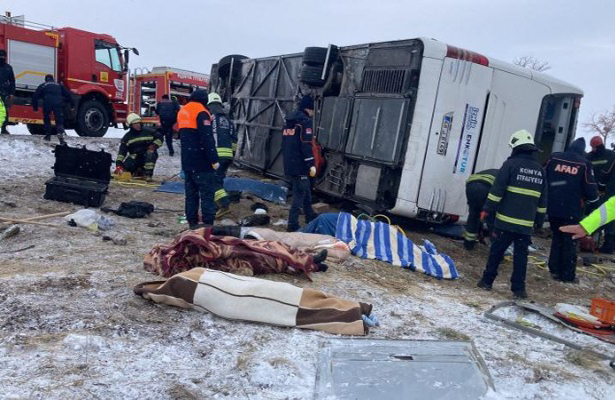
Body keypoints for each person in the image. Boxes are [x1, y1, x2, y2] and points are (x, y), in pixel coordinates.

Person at [477, 130, 547, 299]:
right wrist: (539, 221)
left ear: (516, 148)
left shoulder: (510, 165)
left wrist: (487, 209)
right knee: (521, 257)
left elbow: (497, 191)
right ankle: (519, 290)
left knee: (497, 252)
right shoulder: (540, 170)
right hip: (525, 225)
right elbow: (543, 199)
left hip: (505, 222)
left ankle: (487, 281)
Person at [544, 138, 598, 283]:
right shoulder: (584, 164)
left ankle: (554, 269)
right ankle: (567, 275)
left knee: (557, 236)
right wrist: (593, 201)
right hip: (571, 209)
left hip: (553, 207)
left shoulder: (554, 158)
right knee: (569, 241)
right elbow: (591, 190)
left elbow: (544, 176)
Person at [177, 89, 219, 229]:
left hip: (187, 161)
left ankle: (192, 223)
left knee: (191, 195)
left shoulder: (183, 111)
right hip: (202, 161)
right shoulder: (202, 112)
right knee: (207, 194)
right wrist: (214, 159)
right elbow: (207, 138)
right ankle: (207, 225)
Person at [283, 95, 317, 232]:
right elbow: (306, 145)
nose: (313, 113)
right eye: (313, 110)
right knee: (299, 194)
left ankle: (310, 216)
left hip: (289, 163)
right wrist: (311, 164)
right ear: (308, 109)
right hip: (301, 164)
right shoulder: (305, 122)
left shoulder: (289, 122)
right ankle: (292, 224)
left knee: (305, 189)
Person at [208, 92, 237, 218]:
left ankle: (224, 205)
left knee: (213, 182)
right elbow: (235, 139)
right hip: (227, 156)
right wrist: (232, 154)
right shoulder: (228, 120)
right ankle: (215, 206)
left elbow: (207, 137)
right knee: (218, 179)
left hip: (216, 156)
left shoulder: (210, 119)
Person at [586, 135, 615, 253]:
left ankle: (603, 242)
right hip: (600, 189)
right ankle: (602, 242)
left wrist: (600, 188)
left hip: (604, 190)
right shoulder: (610, 155)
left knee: (600, 215)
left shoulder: (610, 156)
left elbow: (605, 174)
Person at [114, 113, 163, 180]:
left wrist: (154, 145)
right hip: (136, 157)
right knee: (126, 167)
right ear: (131, 125)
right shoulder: (127, 137)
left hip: (147, 155)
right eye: (135, 124)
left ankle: (148, 175)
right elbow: (122, 152)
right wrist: (118, 164)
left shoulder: (149, 131)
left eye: (138, 123)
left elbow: (160, 138)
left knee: (150, 154)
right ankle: (137, 171)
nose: (138, 125)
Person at [31, 74, 75, 143]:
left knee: (47, 118)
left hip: (47, 103)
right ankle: (60, 133)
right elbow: (68, 95)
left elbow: (35, 97)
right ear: (53, 79)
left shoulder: (43, 85)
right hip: (58, 103)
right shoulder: (59, 85)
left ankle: (48, 135)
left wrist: (35, 108)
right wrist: (72, 105)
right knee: (59, 119)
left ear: (45, 80)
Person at [463, 169, 498, 250]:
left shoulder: (497, 171)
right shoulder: (508, 176)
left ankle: (468, 244)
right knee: (492, 219)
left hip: (471, 185)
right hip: (486, 187)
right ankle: (496, 250)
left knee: (474, 214)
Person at [0, 49, 15, 134]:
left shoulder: (8, 68)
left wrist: (11, 93)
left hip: (4, 91)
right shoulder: (8, 67)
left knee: (3, 111)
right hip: (4, 91)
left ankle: (3, 128)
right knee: (4, 111)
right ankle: (3, 128)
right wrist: (11, 93)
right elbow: (12, 81)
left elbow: (12, 81)